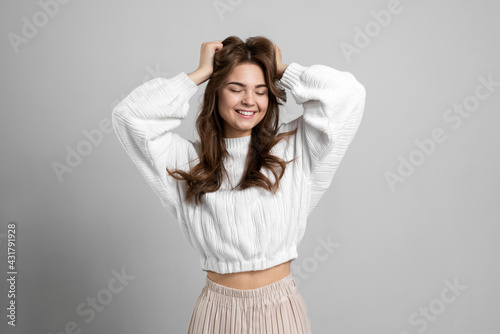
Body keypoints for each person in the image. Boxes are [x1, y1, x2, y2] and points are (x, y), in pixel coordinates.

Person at [111, 35, 366, 333]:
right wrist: (199, 74)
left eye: (260, 91)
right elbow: (130, 117)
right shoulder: (187, 162)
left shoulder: (294, 148)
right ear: (216, 92)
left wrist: (282, 68)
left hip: (280, 309)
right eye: (236, 88)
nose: (250, 100)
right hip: (216, 312)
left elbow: (349, 95)